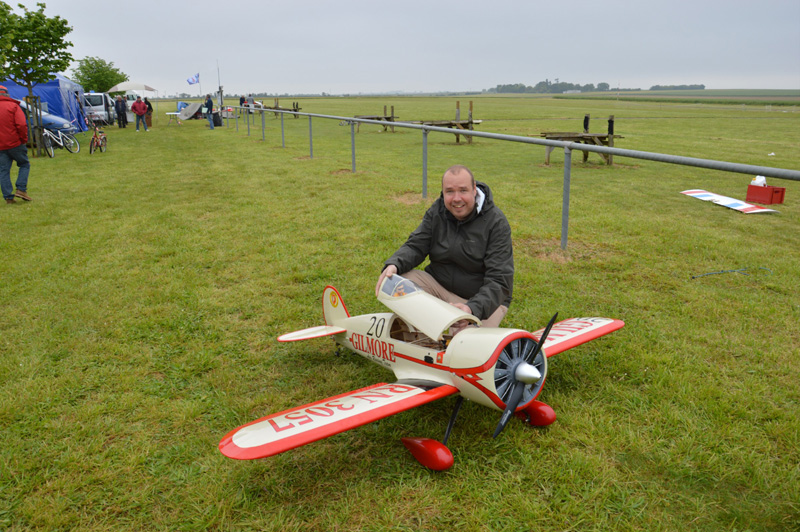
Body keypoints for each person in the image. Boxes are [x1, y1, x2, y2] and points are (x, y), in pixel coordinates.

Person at [376, 165, 514, 330]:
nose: (456, 198)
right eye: (450, 192)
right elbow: (417, 244)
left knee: (466, 346)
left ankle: (448, 326)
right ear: (443, 192)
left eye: (463, 190)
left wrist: (472, 309)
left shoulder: (496, 223)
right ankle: (421, 329)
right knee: (399, 280)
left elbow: (500, 280)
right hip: (439, 287)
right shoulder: (438, 211)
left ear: (474, 190)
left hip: (479, 300)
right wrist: (394, 264)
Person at [0, 85, 32, 204]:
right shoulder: (13, 106)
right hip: (15, 143)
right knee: (24, 164)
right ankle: (21, 189)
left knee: (3, 171)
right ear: (7, 94)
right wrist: (23, 139)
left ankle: (8, 197)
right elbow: (22, 125)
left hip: (1, 146)